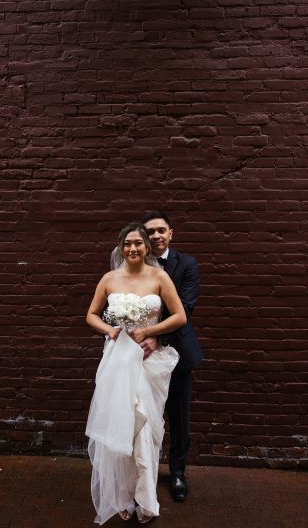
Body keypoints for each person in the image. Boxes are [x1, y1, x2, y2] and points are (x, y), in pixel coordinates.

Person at [85, 222, 187, 525]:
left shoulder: (160, 277)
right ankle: (121, 495)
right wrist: (110, 330)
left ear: (146, 247)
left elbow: (180, 316)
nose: (132, 248)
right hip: (117, 361)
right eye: (127, 243)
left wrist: (149, 331)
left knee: (145, 431)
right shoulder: (109, 278)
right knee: (120, 428)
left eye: (138, 243)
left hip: (149, 363)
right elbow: (90, 314)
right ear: (120, 246)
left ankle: (146, 498)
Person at [139, 211, 202, 503]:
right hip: (140, 356)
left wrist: (155, 336)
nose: (155, 236)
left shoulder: (187, 264)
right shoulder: (134, 263)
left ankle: (177, 473)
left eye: (160, 230)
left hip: (175, 351)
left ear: (170, 233)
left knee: (178, 417)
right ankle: (143, 473)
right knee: (142, 417)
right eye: (149, 231)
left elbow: (185, 310)